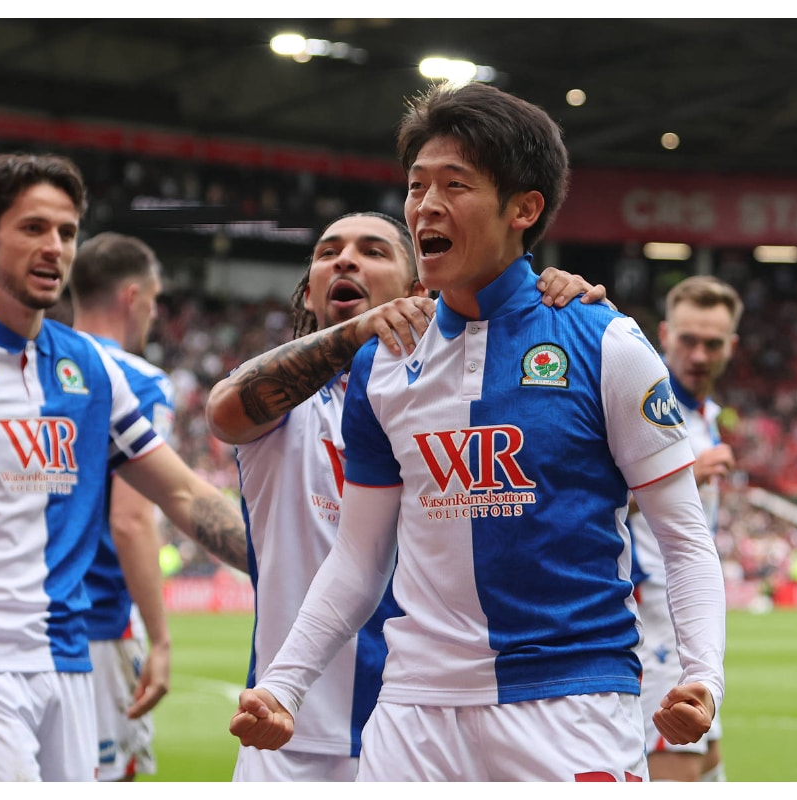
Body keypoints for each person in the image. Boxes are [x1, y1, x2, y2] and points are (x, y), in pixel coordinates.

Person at [228, 81, 726, 782]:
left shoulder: (605, 341)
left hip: (570, 705)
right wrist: (284, 683)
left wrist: (705, 675)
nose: (424, 206)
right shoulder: (383, 365)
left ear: (525, 208)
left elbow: (683, 537)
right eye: (415, 185)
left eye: (454, 185)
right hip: (413, 715)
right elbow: (359, 557)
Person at [205, 210, 607, 781]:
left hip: (428, 725)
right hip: (289, 732)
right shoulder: (287, 406)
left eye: (373, 250)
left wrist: (556, 306)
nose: (344, 259)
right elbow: (225, 411)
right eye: (327, 252)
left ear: (421, 285)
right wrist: (360, 331)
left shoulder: (467, 396)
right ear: (309, 289)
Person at [0, 152, 249, 782]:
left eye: (66, 232)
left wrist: (284, 559)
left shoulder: (91, 370)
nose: (55, 247)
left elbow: (180, 493)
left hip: (69, 664)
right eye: (33, 228)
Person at [68, 232, 173, 781]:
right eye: (154, 303)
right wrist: (160, 637)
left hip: (30, 620)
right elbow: (131, 519)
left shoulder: (40, 364)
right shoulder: (140, 380)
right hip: (103, 622)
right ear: (133, 297)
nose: (153, 317)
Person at [626, 274, 739, 782]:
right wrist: (681, 477)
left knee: (708, 764)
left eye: (712, 343)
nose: (699, 354)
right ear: (665, 335)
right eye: (688, 340)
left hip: (688, 624)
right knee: (677, 769)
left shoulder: (704, 415)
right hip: (650, 625)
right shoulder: (641, 409)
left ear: (730, 346)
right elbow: (585, 501)